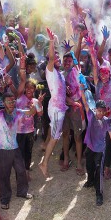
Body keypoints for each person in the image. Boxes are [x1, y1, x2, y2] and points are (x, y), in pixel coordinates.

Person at [0, 92, 34, 209]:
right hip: (3, 149)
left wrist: (36, 105)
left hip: (15, 147)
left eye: (13, 101)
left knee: (21, 170)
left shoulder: (18, 112)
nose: (11, 103)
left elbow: (30, 113)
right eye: (8, 101)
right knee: (4, 175)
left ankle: (22, 192)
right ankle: (5, 199)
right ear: (3, 103)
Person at [83, 99, 111, 206]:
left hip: (100, 150)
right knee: (89, 166)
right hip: (90, 147)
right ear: (95, 110)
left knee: (98, 171)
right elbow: (85, 103)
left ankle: (99, 194)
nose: (100, 113)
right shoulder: (91, 116)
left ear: (105, 112)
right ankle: (90, 181)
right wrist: (81, 89)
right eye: (98, 111)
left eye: (102, 111)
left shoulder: (106, 121)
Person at [39, 28, 67, 178]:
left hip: (58, 108)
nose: (56, 58)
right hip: (56, 109)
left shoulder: (59, 73)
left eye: (58, 56)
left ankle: (44, 145)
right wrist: (51, 42)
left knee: (53, 132)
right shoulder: (50, 70)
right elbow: (50, 58)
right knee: (56, 138)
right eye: (54, 57)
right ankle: (44, 163)